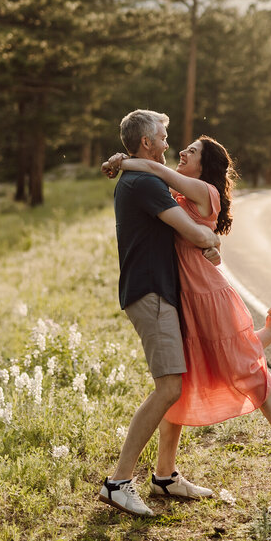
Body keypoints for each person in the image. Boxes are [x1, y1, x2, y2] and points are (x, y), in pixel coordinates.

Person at [102, 128, 271, 502]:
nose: (182, 150)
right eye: (180, 145)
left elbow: (165, 176)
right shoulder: (178, 195)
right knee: (193, 377)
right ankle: (165, 476)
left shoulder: (205, 191)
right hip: (185, 293)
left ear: (205, 165)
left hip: (206, 292)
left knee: (243, 363)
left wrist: (121, 161)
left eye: (193, 150)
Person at [99, 109, 222, 517]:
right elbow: (195, 231)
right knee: (169, 386)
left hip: (158, 291)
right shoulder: (145, 183)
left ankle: (165, 477)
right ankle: (118, 482)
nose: (169, 144)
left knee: (177, 383)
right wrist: (207, 238)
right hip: (149, 292)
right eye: (164, 137)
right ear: (147, 143)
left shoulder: (142, 178)